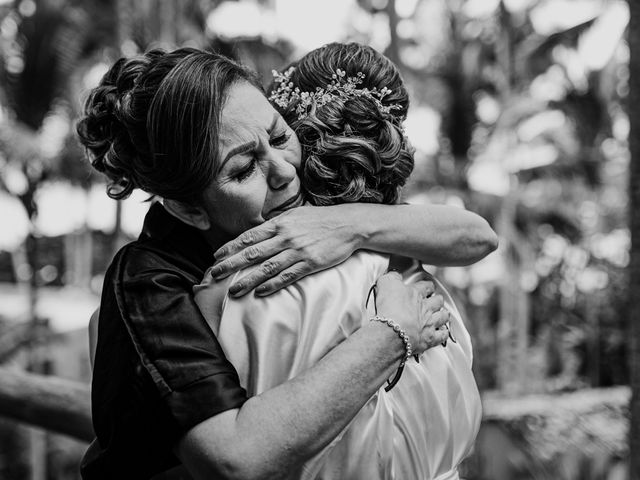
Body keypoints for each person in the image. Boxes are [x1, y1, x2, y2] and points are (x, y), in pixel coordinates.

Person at [78, 47, 496, 480]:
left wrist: (349, 225)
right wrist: (393, 333)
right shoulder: (150, 283)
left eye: (279, 137)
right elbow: (236, 458)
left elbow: (477, 236)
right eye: (243, 170)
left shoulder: (311, 211)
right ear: (188, 210)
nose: (284, 171)